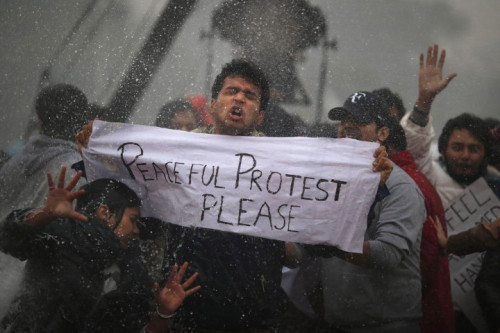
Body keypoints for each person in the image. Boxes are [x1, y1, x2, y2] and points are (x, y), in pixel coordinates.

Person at [77, 59, 393, 331]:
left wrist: (368, 187)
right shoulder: (174, 156)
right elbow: (126, 201)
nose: (239, 99)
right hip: (186, 307)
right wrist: (94, 150)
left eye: (250, 95)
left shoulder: (284, 167)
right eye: (231, 91)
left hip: (256, 313)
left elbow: (322, 233)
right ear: (213, 105)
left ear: (260, 115)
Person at [0, 166, 200, 332]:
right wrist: (46, 214)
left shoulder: (132, 274)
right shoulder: (61, 234)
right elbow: (8, 238)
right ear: (105, 212)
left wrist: (163, 313)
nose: (137, 230)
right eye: (133, 220)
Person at [312, 91, 426, 332]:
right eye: (343, 120)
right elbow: (302, 249)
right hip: (335, 324)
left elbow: (388, 254)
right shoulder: (329, 183)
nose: (348, 126)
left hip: (389, 326)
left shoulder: (401, 187)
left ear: (382, 133)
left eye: (360, 120)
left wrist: (332, 244)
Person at [0, 83, 91, 317]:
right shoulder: (74, 170)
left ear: (40, 120)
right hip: (21, 292)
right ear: (82, 122)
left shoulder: (18, 157)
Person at [400, 44, 497, 206]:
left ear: (486, 153)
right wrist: (425, 99)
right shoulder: (429, 178)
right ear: (443, 151)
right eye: (457, 147)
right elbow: (413, 148)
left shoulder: (495, 186)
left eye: (474, 149)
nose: (465, 156)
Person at [385, 120, 454, 333]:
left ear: (384, 148)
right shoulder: (404, 178)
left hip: (415, 316)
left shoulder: (403, 184)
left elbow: (423, 259)